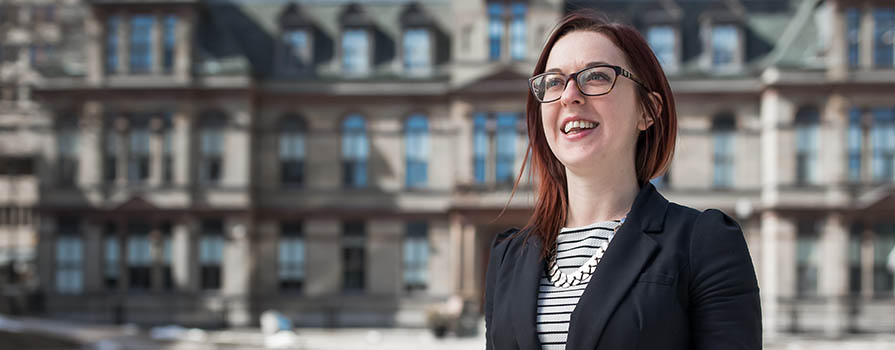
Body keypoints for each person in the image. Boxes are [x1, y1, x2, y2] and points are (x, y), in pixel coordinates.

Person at [484, 10, 761, 350]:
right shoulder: (507, 257)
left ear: (648, 111)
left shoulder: (703, 244)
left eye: (596, 76)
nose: (570, 94)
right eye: (554, 81)